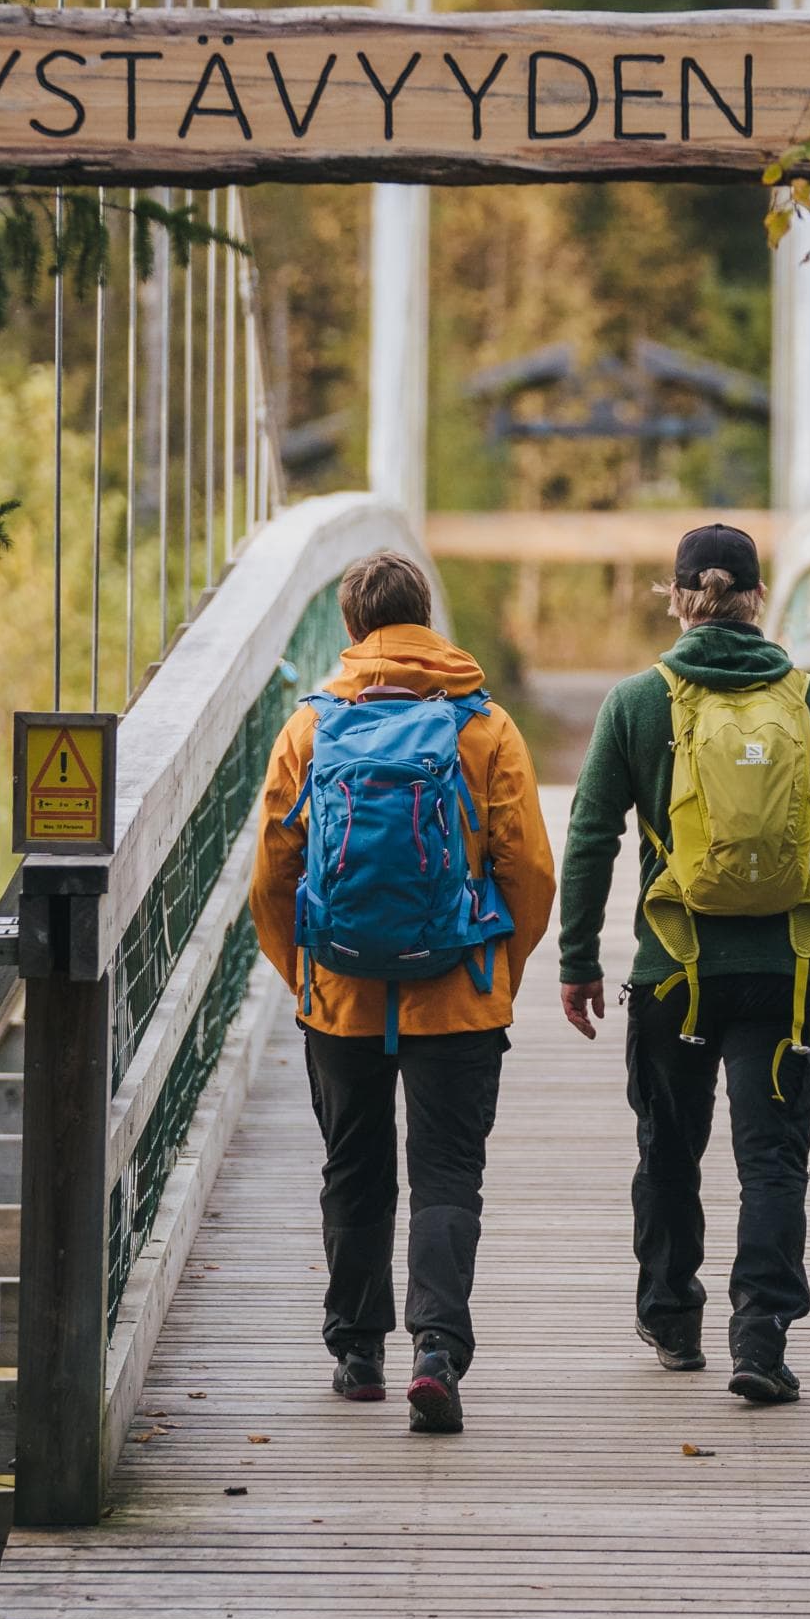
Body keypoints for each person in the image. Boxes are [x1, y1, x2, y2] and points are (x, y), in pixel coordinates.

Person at [556, 523, 810, 1405]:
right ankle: (761, 1334)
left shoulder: (636, 701)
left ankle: (670, 1318)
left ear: (677, 599)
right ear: (756, 596)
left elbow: (591, 835)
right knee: (772, 1159)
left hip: (672, 969)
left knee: (670, 1149)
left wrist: (578, 959)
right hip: (781, 971)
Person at [251, 550, 556, 1434]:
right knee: (447, 1173)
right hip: (457, 991)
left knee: (354, 1168)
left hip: (339, 993)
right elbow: (528, 867)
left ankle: (355, 1352)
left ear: (353, 629)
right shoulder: (485, 728)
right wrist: (499, 966)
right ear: (428, 621)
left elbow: (273, 876)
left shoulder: (309, 729)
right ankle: (436, 1351)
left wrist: (304, 972)